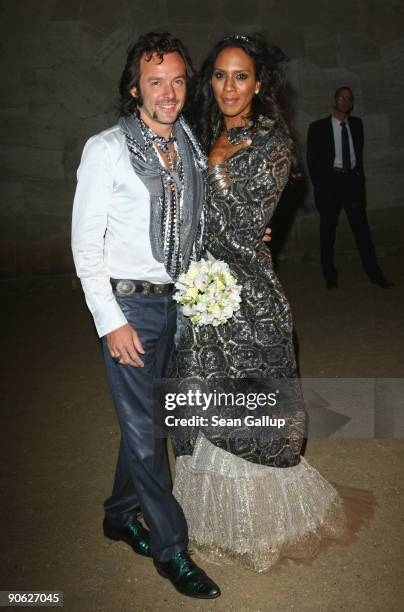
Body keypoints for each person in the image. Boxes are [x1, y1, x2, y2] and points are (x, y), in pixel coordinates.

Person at [169, 34, 348, 573]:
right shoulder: (201, 134)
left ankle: (261, 526)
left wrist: (218, 167)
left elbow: (247, 226)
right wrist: (209, 163)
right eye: (220, 75)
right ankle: (211, 522)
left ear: (259, 84)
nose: (229, 86)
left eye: (241, 76)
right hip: (202, 292)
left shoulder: (272, 141)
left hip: (247, 298)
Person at [71, 32, 221, 599]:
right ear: (135, 87)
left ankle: (118, 515)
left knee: (154, 418)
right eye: (156, 81)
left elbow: (199, 223)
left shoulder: (186, 143)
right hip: (129, 305)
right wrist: (111, 320)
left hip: (177, 301)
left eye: (178, 80)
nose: (169, 92)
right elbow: (86, 246)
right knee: (144, 431)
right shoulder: (106, 148)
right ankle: (171, 549)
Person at [306, 86, 393, 289]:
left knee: (362, 231)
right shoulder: (318, 127)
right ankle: (330, 276)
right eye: (342, 98)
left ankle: (375, 274)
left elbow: (358, 155)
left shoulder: (356, 124)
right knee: (328, 232)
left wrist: (359, 180)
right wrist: (321, 186)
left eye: (349, 99)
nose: (345, 102)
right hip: (331, 185)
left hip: (352, 184)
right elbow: (313, 161)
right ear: (334, 100)